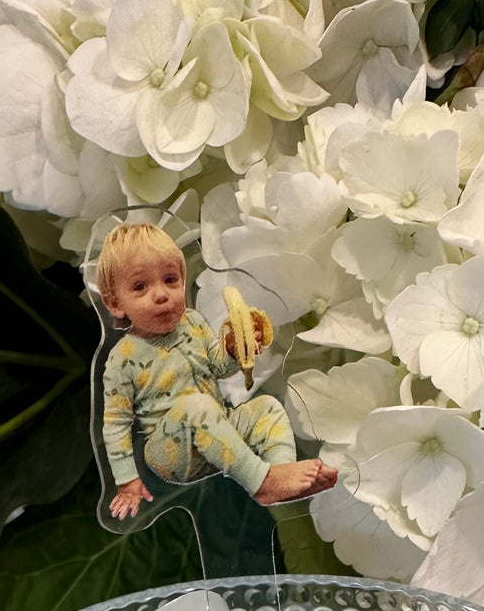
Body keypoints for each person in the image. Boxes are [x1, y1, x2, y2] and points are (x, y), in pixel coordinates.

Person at [95, 223, 336, 520]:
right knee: (196, 407)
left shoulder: (193, 322)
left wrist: (235, 348)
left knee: (267, 408)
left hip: (218, 437)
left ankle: (280, 474)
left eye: (170, 280)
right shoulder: (122, 359)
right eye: (140, 287)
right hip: (171, 453)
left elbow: (219, 367)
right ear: (114, 303)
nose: (160, 294)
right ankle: (261, 482)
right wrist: (127, 481)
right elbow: (115, 424)